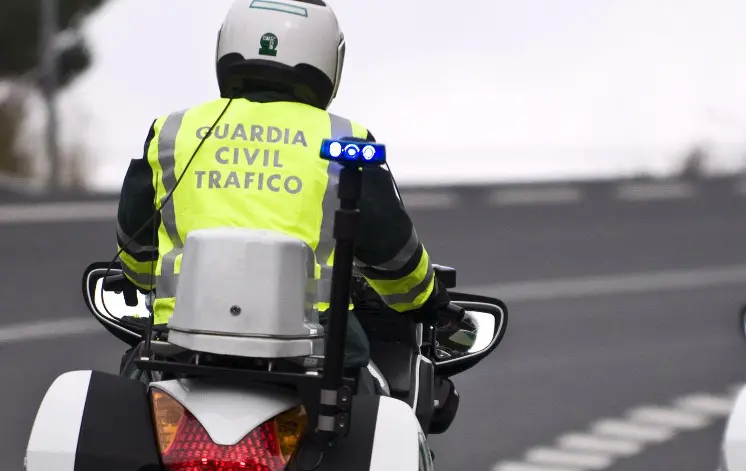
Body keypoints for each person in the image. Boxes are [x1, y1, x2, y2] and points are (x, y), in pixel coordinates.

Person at [113, 0, 476, 393]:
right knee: (381, 414)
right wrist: (426, 299)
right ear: (329, 60)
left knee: (131, 393)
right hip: (317, 353)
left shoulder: (173, 130)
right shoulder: (344, 139)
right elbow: (393, 252)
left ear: (227, 43)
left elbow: (135, 243)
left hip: (178, 346)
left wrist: (145, 280)